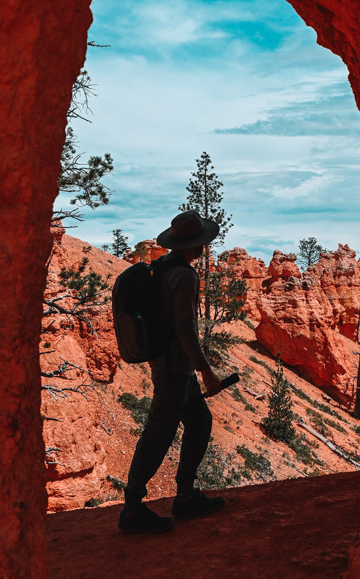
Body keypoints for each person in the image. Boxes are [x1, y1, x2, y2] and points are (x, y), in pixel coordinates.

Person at [118, 210, 226, 534]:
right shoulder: (186, 277)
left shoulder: (164, 267)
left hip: (171, 365)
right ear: (199, 245)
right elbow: (185, 327)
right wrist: (205, 369)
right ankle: (133, 509)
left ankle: (186, 495)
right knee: (158, 434)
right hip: (175, 370)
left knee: (198, 420)